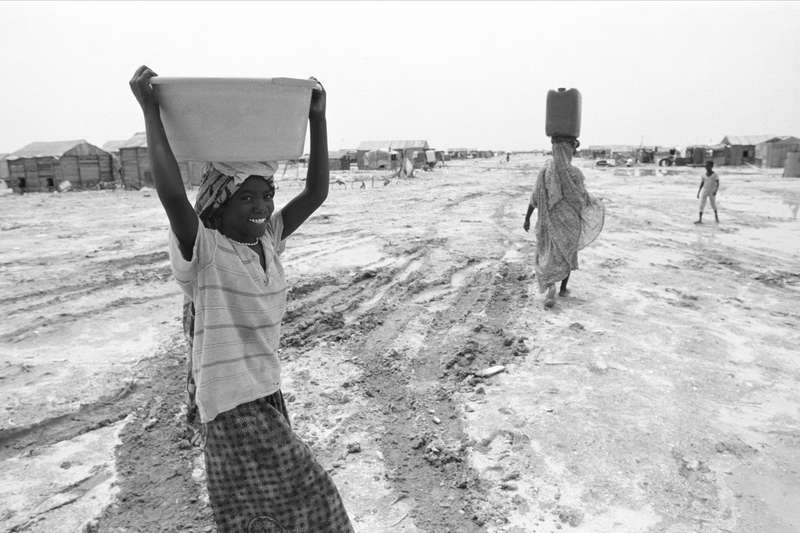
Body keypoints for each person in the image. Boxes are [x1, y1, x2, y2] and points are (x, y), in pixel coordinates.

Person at [129, 65, 353, 532]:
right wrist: (151, 110)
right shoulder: (207, 249)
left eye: (267, 194)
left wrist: (318, 118)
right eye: (247, 197)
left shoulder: (268, 239)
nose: (262, 206)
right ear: (218, 201)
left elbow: (316, 191)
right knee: (315, 500)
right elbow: (171, 194)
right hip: (232, 404)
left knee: (271, 513)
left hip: (266, 392)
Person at [523, 136, 604, 309]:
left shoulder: (545, 171)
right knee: (568, 253)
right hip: (570, 222)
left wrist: (527, 218)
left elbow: (535, 197)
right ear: (568, 151)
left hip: (549, 222)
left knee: (548, 253)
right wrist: (595, 202)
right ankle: (563, 289)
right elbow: (581, 198)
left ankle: (550, 284)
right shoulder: (574, 173)